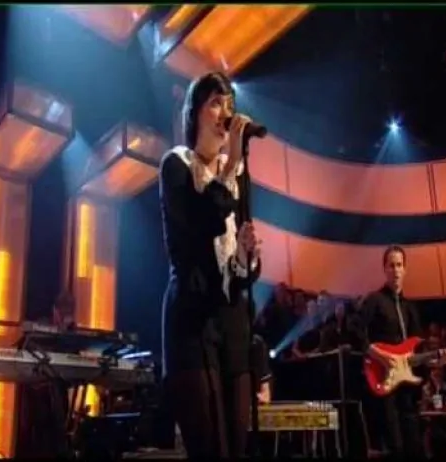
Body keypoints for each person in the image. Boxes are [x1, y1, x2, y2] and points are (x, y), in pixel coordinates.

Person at [159, 71, 262, 458]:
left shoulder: (239, 176)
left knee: (236, 444)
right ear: (195, 112)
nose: (225, 113)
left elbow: (241, 270)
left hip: (232, 321)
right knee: (208, 447)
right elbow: (197, 227)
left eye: (230, 104)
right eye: (216, 103)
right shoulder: (176, 165)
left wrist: (247, 257)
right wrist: (230, 163)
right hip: (191, 319)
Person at [358, 245, 446, 457]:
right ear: (384, 269)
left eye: (399, 265)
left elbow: (416, 352)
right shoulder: (374, 300)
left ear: (405, 269)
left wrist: (435, 361)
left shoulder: (411, 308)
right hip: (385, 381)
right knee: (395, 445)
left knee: (413, 444)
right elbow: (354, 329)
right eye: (391, 265)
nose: (396, 270)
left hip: (407, 386)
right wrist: (377, 354)